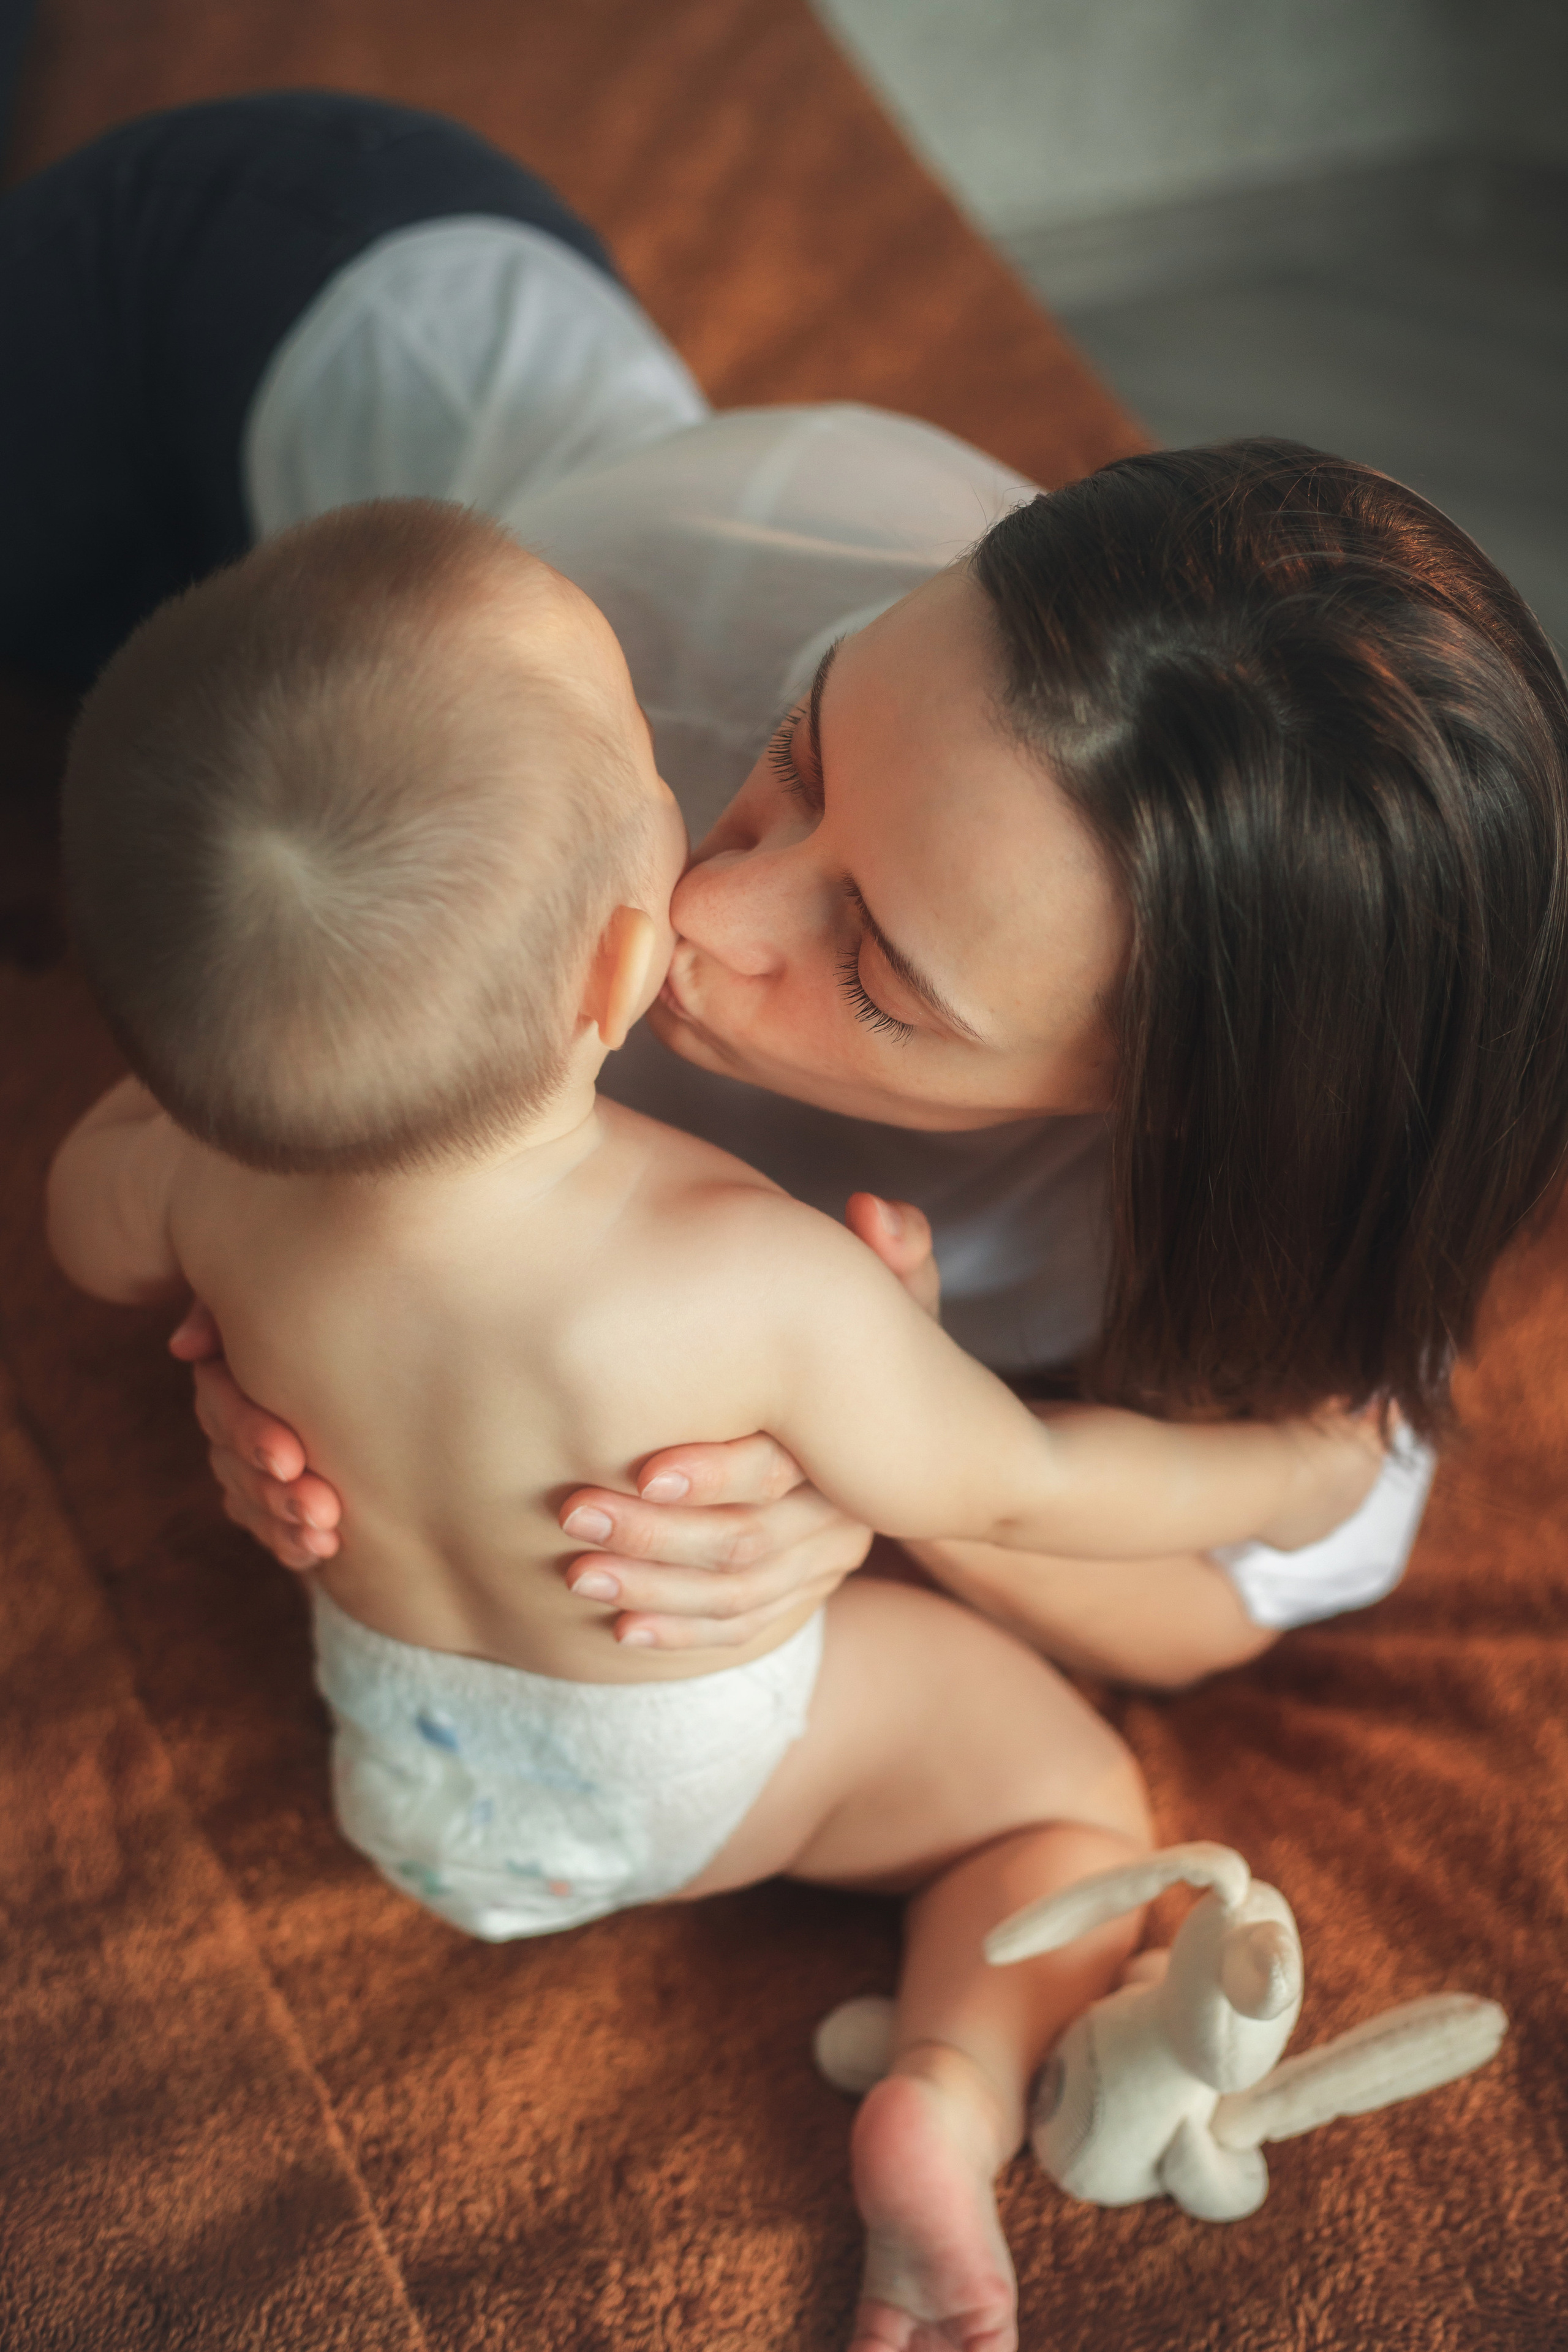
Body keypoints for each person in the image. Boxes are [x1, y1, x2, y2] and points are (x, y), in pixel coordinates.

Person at [10, 94, 1568, 1687]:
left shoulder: (1298, 1167)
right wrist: (268, 1314)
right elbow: (268, 964)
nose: (702, 915)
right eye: (801, 748)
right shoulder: (617, 654)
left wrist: (876, 1478)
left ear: (1174, 1101)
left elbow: (1239, 1590)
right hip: (268, 298)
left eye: (883, 972)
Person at [47, 500, 1382, 2352]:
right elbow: (1028, 1476)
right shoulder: (755, 1276)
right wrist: (1292, 1468)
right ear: (610, 978)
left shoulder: (196, 1177)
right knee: (1055, 1796)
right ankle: (953, 2086)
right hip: (692, 1780)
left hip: (412, 1782)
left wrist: (218, 1113)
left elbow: (82, 1218)